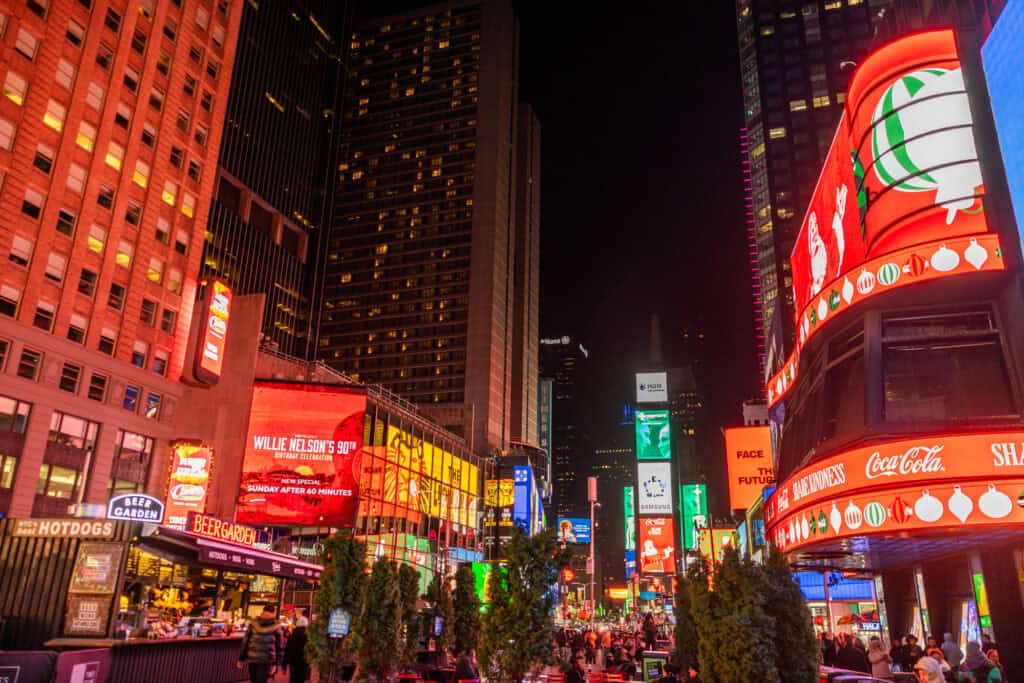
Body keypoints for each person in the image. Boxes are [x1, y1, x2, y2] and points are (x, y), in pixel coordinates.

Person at [238, 606, 282, 683]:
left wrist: (241, 658)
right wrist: (276, 663)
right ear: (273, 614)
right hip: (266, 659)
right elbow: (279, 645)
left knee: (254, 680)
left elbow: (245, 642)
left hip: (253, 657)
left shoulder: (253, 623)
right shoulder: (276, 625)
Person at [281, 616, 310, 683]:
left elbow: (287, 650)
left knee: (293, 678)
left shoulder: (292, 635)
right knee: (301, 679)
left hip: (293, 661)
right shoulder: (308, 636)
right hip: (304, 661)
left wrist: (284, 664)